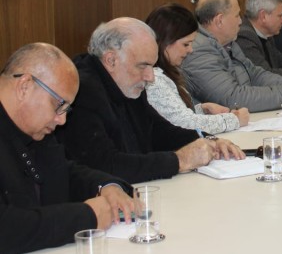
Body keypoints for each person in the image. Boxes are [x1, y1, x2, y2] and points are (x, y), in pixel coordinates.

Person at [57, 18, 244, 183]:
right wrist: (179, 161)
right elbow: (106, 166)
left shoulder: (127, 83)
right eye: (143, 66)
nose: (150, 77)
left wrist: (208, 140)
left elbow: (158, 130)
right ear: (111, 60)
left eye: (152, 66)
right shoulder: (82, 93)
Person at [0, 43, 135, 253]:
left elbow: (62, 172)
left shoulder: (34, 128)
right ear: (24, 86)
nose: (61, 120)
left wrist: (106, 186)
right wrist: (86, 217)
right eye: (58, 105)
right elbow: (6, 229)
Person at [182, 0, 282, 112]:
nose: (240, 21)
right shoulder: (197, 51)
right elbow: (233, 98)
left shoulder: (229, 42)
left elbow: (255, 74)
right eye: (237, 15)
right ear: (219, 20)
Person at [145, 3, 249, 134]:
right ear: (166, 41)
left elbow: (171, 114)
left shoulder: (166, 72)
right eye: (186, 44)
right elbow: (185, 124)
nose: (190, 50)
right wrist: (234, 120)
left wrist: (202, 109)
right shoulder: (155, 79)